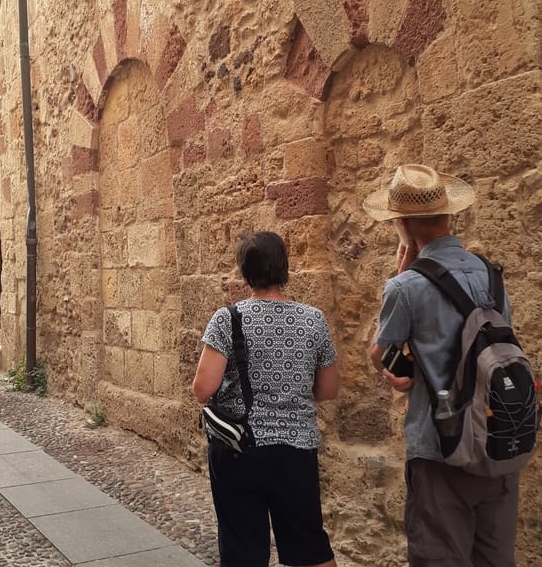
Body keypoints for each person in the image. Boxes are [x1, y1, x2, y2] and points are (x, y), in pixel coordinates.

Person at [364, 164, 519, 567]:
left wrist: (401, 270)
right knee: (494, 557)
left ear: (401, 223)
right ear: (449, 214)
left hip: (439, 445)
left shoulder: (405, 286)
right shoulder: (492, 276)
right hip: (497, 439)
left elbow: (380, 354)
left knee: (439, 556)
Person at [193, 231, 339, 567]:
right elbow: (328, 390)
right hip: (296, 453)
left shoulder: (228, 319)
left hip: (240, 451)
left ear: (245, 273)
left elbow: (203, 388)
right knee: (311, 548)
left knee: (243, 549)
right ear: (284, 268)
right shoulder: (313, 320)